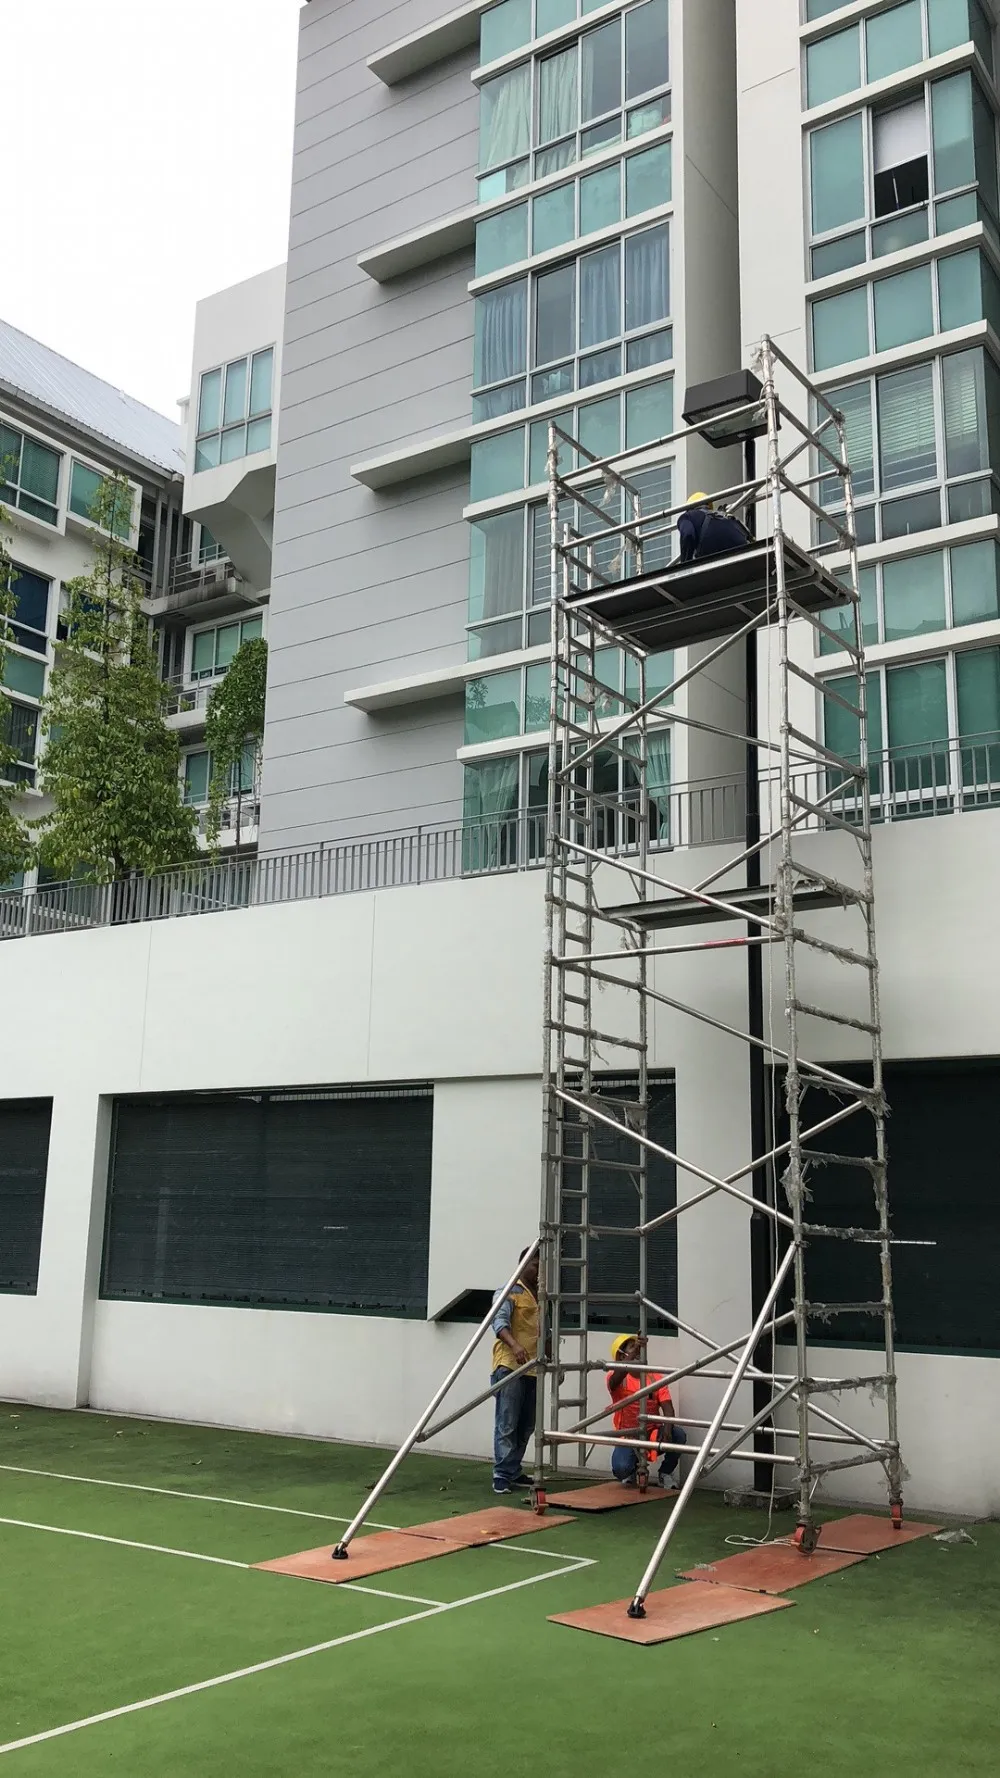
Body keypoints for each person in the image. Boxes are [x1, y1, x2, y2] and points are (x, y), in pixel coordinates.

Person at [606, 1333, 687, 1488]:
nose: (637, 1353)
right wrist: (637, 1348)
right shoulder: (616, 1377)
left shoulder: (655, 1377)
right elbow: (613, 1382)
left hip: (652, 1433)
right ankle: (630, 1471)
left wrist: (668, 1428)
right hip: (627, 1435)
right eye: (632, 1350)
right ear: (621, 1358)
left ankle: (665, 1473)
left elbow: (668, 1407)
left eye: (639, 1350)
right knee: (621, 1468)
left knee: (678, 1435)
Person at [490, 1248, 539, 1495]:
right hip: (509, 1364)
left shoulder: (541, 1296)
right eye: (534, 1264)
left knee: (527, 1423)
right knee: (507, 1421)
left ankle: (514, 1468)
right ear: (522, 1265)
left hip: (532, 1368)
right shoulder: (510, 1291)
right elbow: (498, 1322)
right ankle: (501, 1473)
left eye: (541, 1265)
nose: (539, 1270)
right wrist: (514, 1345)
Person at [675, 491, 751, 566]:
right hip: (745, 552)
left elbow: (688, 534)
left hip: (716, 556)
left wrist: (684, 566)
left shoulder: (687, 516)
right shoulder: (724, 516)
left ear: (688, 508)